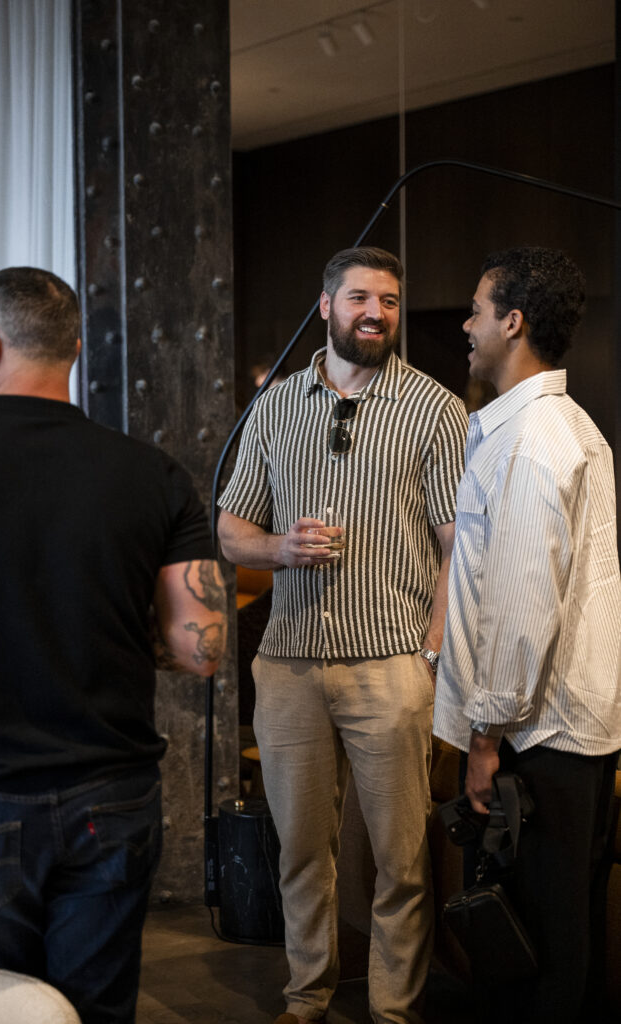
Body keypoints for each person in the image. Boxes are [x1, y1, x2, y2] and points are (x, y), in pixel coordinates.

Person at [0, 267, 227, 1024]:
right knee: (97, 1009)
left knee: (3, 1007)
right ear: (72, 351)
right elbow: (200, 649)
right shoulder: (153, 474)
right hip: (112, 789)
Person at [218, 246, 468, 1024]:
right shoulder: (278, 403)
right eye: (360, 297)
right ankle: (306, 997)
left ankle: (393, 1011)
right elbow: (229, 530)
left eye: (389, 301)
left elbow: (458, 548)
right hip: (287, 665)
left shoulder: (434, 408)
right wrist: (277, 549)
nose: (375, 313)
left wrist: (429, 657)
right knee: (299, 853)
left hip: (389, 665)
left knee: (399, 860)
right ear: (325, 306)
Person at [433, 247, 621, 1023]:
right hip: (563, 731)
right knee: (563, 930)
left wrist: (484, 740)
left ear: (512, 322)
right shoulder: (560, 425)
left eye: (476, 311)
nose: (466, 327)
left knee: (533, 944)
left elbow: (520, 605)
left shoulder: (530, 439)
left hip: (535, 736)